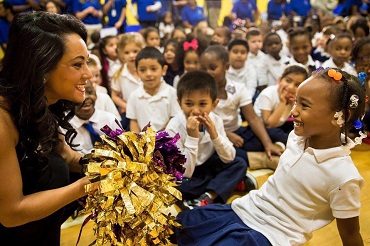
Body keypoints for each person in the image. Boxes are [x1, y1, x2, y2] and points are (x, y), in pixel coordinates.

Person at [175, 67, 366, 246]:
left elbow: (350, 236)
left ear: (342, 116)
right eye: (295, 102)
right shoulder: (296, 138)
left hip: (271, 234)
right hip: (246, 208)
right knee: (179, 224)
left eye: (304, 105)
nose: (293, 111)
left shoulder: (344, 178)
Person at [0, 11, 92, 244]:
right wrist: (86, 187)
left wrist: (119, 165)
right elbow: (10, 213)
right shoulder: (2, 120)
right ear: (42, 68)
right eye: (77, 64)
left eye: (87, 62)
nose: (88, 74)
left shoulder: (40, 104)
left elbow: (70, 158)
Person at [165, 70, 249, 209]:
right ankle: (224, 184)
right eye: (189, 104)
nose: (196, 110)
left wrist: (215, 135)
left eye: (202, 104)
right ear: (180, 103)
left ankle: (208, 196)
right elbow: (185, 172)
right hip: (187, 173)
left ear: (214, 104)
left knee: (239, 163)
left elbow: (229, 158)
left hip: (207, 165)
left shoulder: (216, 120)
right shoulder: (173, 127)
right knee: (173, 185)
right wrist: (192, 137)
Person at [202, 45, 284, 170]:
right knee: (221, 154)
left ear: (227, 67)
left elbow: (253, 118)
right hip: (213, 135)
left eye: (213, 68)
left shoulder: (238, 88)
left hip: (237, 131)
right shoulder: (200, 91)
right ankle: (264, 160)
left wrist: (267, 143)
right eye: (204, 68)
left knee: (269, 134)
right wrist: (227, 135)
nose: (208, 72)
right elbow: (201, 121)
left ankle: (269, 149)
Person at [126, 47, 181, 132]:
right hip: (143, 142)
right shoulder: (134, 96)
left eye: (153, 69)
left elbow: (174, 120)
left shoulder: (172, 93)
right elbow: (134, 121)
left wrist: (160, 139)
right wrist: (138, 142)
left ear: (163, 70)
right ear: (136, 72)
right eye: (142, 70)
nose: (148, 74)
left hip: (167, 141)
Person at [254, 65, 308, 133]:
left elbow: (301, 121)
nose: (291, 87)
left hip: (280, 125)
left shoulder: (296, 97)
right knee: (283, 136)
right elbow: (269, 124)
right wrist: (283, 102)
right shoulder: (267, 94)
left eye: (297, 85)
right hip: (262, 128)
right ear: (279, 80)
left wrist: (293, 104)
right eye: (288, 81)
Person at [69, 80, 118, 154]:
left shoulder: (110, 120)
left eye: (90, 92)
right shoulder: (65, 127)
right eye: (79, 93)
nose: (86, 97)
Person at [111, 33, 144, 130]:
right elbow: (114, 95)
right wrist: (127, 106)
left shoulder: (147, 71)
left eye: (135, 51)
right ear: (121, 54)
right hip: (130, 113)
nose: (132, 55)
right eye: (127, 52)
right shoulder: (119, 74)